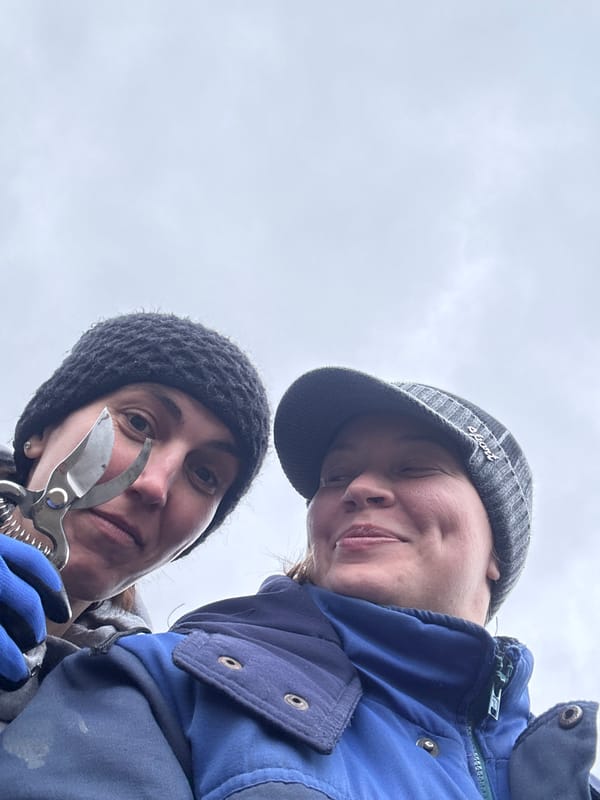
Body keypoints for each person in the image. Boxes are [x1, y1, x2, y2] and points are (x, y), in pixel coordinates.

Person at [0, 367, 598, 799]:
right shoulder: (167, 684)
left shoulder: (563, 778)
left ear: (497, 548)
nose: (359, 488)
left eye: (415, 467)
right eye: (336, 475)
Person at [0, 310, 270, 728]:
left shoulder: (157, 713)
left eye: (204, 474)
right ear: (42, 431)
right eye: (138, 422)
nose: (155, 486)